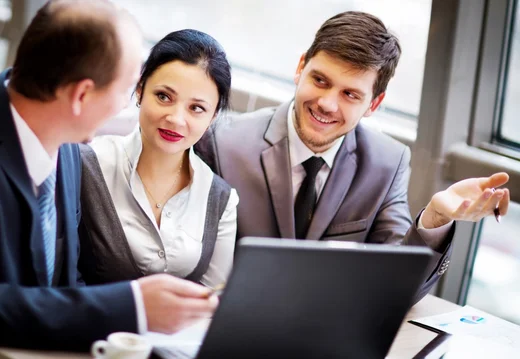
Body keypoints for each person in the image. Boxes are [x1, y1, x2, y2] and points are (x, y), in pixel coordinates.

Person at [0, 1, 217, 357]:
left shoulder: (68, 144)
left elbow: (63, 279)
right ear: (81, 94)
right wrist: (133, 305)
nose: (126, 104)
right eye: (126, 89)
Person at [194, 11, 511, 302]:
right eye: (320, 80)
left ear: (373, 104)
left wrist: (437, 218)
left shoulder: (388, 162)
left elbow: (396, 287)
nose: (327, 104)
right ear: (300, 68)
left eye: (350, 94)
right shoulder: (221, 141)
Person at [77, 29, 238, 288]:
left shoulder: (221, 201)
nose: (175, 118)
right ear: (140, 90)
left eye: (196, 108)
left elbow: (211, 302)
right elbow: (60, 277)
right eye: (164, 96)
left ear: (214, 116)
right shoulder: (85, 164)